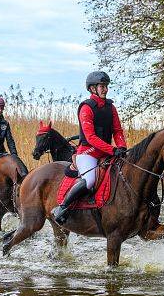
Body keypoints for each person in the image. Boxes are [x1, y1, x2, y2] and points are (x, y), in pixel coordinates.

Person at [51, 71, 128, 224]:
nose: (105, 89)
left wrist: (121, 146)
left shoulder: (111, 107)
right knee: (90, 180)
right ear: (93, 88)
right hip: (88, 153)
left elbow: (117, 131)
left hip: (107, 152)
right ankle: (63, 207)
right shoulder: (86, 108)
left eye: (106, 86)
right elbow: (91, 137)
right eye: (102, 86)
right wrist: (112, 149)